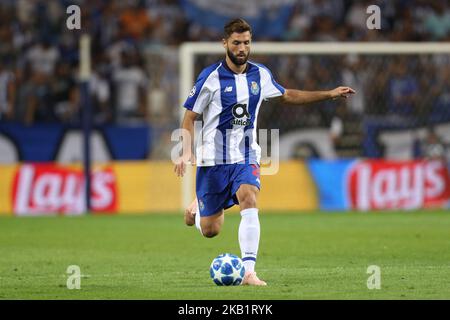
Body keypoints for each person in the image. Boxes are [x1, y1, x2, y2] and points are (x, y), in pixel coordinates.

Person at [174, 18, 355, 286]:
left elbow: (288, 95)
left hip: (246, 155)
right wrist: (184, 150)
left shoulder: (260, 74)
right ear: (225, 43)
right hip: (213, 160)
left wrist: (329, 94)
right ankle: (198, 211)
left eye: (246, 42)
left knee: (249, 197)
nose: (242, 48)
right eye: (236, 43)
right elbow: (189, 117)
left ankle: (249, 272)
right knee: (211, 230)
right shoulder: (210, 78)